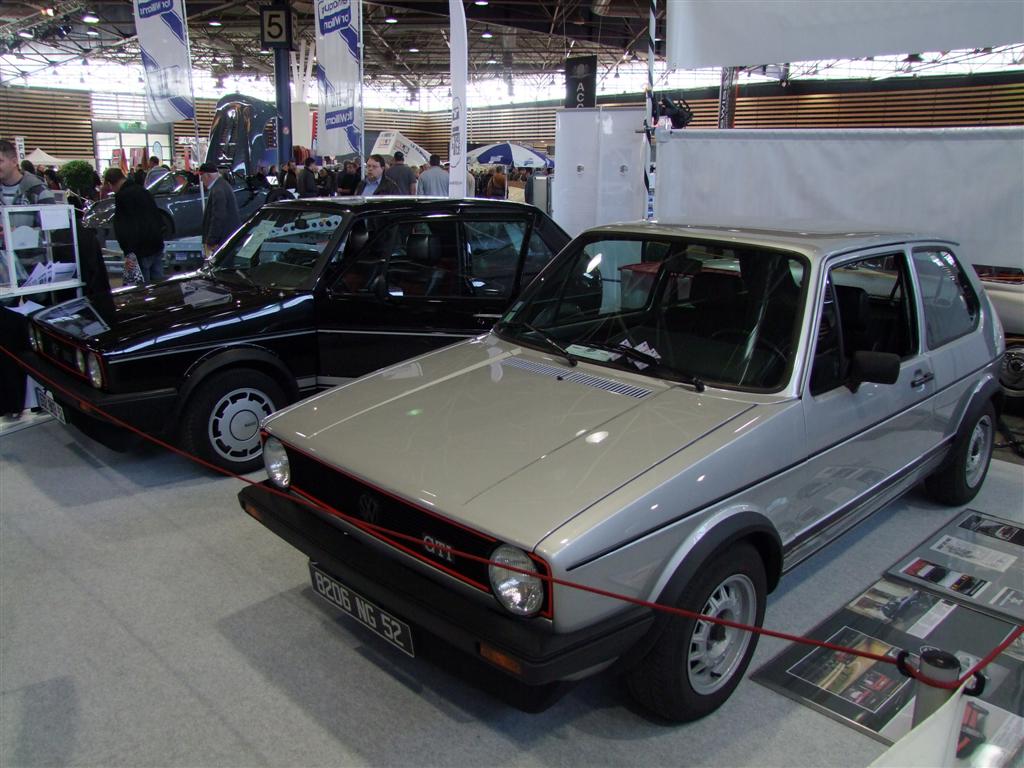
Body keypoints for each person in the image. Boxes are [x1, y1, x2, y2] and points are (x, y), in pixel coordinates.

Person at [103, 167, 165, 283]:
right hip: (156, 245)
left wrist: (129, 253)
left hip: (140, 250)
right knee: (159, 286)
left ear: (110, 184)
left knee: (141, 288)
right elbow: (157, 217)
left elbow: (125, 228)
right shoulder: (143, 190)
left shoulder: (122, 197)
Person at [199, 162, 240, 255]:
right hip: (227, 238)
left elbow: (218, 217)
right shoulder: (222, 185)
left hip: (223, 240)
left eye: (202, 176)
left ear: (208, 175)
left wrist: (211, 240)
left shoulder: (218, 190)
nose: (201, 180)